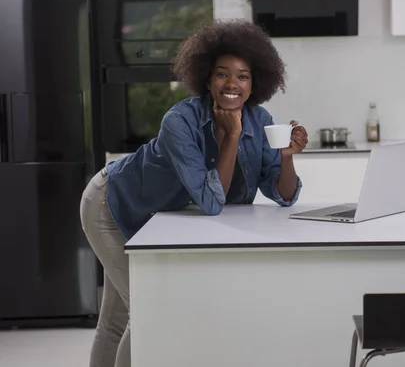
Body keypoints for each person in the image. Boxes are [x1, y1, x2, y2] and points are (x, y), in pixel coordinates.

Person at [79, 19, 307, 367]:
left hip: (153, 215)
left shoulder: (260, 120)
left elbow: (282, 194)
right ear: (205, 78)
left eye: (242, 76)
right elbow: (212, 201)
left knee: (117, 317)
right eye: (221, 74)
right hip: (112, 204)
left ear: (255, 82)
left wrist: (286, 157)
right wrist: (231, 136)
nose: (232, 83)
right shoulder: (180, 121)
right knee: (143, 311)